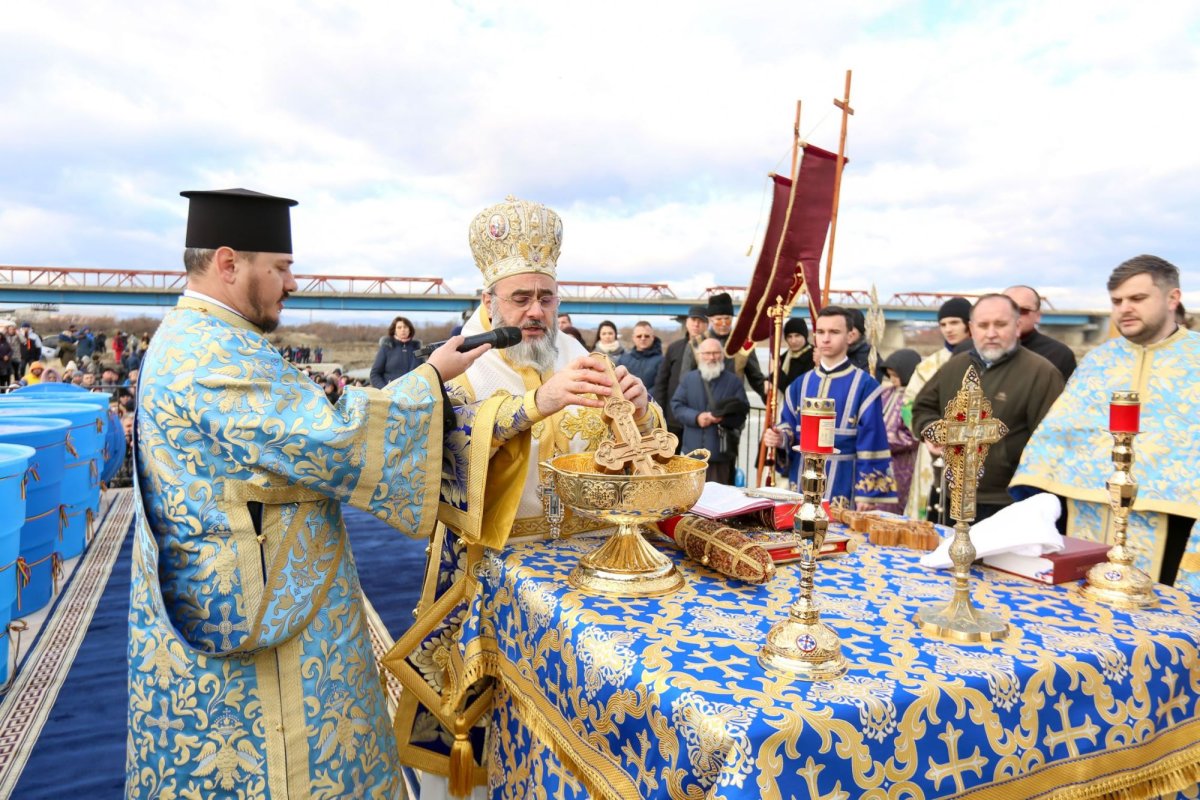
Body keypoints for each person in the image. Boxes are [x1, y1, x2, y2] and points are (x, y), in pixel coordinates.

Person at [125, 187, 489, 798]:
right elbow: (327, 441)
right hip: (250, 611)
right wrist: (431, 378)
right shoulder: (213, 352)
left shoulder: (200, 334)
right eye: (282, 268)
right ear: (228, 262)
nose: (293, 284)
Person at [387, 196, 660, 799]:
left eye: (547, 297)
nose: (536, 311)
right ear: (489, 301)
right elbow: (438, 449)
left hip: (581, 582)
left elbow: (633, 459)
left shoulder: (583, 359)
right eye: (521, 298)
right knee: (480, 735)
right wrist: (535, 405)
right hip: (488, 570)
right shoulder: (458, 364)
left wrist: (640, 413)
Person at [1012, 255, 1199, 591]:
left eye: (1137, 298)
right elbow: (1058, 434)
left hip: (1175, 519)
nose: (1124, 308)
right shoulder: (1098, 361)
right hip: (1086, 510)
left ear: (1173, 298)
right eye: (1117, 301)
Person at [912, 294, 1064, 522]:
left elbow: (1051, 443)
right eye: (983, 325)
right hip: (948, 494)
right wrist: (931, 429)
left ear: (1017, 326)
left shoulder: (1041, 373)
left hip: (1005, 503)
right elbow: (923, 407)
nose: (991, 333)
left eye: (1000, 324)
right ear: (972, 329)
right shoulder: (956, 365)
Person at [764, 306, 897, 509]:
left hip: (845, 483)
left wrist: (867, 494)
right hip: (801, 481)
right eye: (820, 332)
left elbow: (872, 441)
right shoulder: (799, 385)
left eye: (834, 332)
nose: (825, 339)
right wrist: (779, 437)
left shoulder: (866, 386)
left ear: (849, 336)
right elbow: (788, 426)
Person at [903, 296, 973, 519]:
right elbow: (909, 404)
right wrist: (930, 432)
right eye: (943, 324)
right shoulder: (928, 365)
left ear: (969, 323)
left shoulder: (986, 359)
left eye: (954, 322)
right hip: (933, 448)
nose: (948, 329)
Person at [671, 338, 749, 483]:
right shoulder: (689, 379)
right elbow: (676, 406)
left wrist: (723, 419)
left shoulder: (734, 382)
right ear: (700, 356)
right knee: (690, 495)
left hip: (720, 455)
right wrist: (696, 417)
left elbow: (742, 412)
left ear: (722, 355)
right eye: (707, 353)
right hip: (692, 455)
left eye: (716, 353)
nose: (712, 357)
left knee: (718, 495)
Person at [654, 304, 709, 447]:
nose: (696, 324)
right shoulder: (674, 347)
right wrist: (660, 413)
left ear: (707, 325)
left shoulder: (711, 350)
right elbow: (662, 382)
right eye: (693, 320)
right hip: (673, 416)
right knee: (670, 457)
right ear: (687, 322)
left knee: (696, 457)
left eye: (701, 321)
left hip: (699, 417)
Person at [875, 349, 922, 515]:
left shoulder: (914, 399)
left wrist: (882, 440)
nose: (892, 380)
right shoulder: (885, 393)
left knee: (894, 506)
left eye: (896, 375)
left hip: (901, 464)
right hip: (878, 460)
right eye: (890, 375)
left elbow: (913, 435)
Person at [1003, 284, 1077, 381]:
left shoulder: (1059, 354)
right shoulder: (983, 350)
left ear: (1038, 315)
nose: (1014, 315)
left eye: (1023, 310)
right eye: (1007, 310)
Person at [706, 291, 767, 402]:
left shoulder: (744, 343)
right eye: (719, 320)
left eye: (727, 319)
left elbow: (755, 377)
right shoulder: (698, 343)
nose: (724, 324)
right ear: (710, 320)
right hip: (706, 405)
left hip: (735, 403)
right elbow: (687, 379)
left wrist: (767, 392)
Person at [370, 314, 424, 388]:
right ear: (394, 330)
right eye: (399, 327)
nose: (403, 329)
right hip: (390, 391)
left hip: (412, 391)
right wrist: (384, 389)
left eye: (405, 327)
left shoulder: (417, 349)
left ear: (410, 329)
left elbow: (424, 373)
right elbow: (375, 374)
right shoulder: (386, 347)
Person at [617, 321, 664, 399]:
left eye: (646, 336)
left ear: (653, 337)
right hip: (626, 402)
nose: (643, 338)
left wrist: (644, 397)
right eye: (639, 336)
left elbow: (661, 386)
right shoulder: (623, 360)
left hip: (652, 403)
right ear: (633, 338)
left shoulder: (662, 361)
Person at [775, 316, 814, 396]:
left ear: (805, 336)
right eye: (789, 336)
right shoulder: (784, 357)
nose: (793, 341)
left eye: (797, 335)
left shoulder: (813, 357)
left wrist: (776, 372)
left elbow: (794, 391)